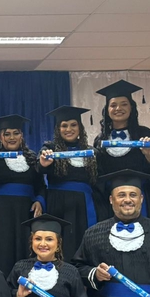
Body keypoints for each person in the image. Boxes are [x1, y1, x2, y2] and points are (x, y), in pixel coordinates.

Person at [0, 115, 45, 275]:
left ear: (22, 135)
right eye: (7, 134)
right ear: (0, 137)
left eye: (16, 133)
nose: (12, 137)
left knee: (25, 247)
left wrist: (39, 201)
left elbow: (41, 186)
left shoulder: (31, 158)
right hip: (0, 212)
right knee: (2, 249)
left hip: (25, 212)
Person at [93, 80, 150, 220]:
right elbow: (98, 174)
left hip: (142, 197)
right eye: (113, 105)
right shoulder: (100, 139)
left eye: (124, 104)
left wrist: (149, 156)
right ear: (107, 110)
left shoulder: (145, 135)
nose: (118, 108)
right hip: (111, 199)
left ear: (132, 108)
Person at [39, 106, 101, 259]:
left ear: (80, 127)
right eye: (64, 125)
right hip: (58, 204)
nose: (69, 129)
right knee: (61, 245)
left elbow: (98, 181)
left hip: (85, 205)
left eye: (73, 125)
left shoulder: (91, 152)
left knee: (84, 243)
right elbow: (39, 168)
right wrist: (43, 163)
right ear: (58, 129)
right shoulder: (50, 149)